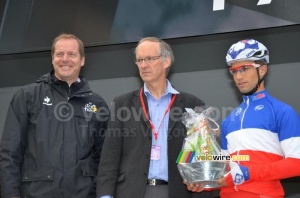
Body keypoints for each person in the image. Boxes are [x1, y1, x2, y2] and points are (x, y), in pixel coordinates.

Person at [96, 37, 213, 198]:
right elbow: (109, 158)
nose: (143, 65)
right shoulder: (122, 104)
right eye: (139, 60)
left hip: (177, 192)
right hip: (131, 192)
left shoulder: (192, 104)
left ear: (166, 61)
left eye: (150, 59)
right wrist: (105, 195)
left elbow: (203, 156)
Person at [0, 33, 109, 198]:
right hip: (36, 193)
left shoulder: (97, 104)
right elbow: (10, 152)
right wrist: (10, 194)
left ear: (82, 60)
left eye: (72, 54)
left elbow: (105, 158)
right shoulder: (27, 96)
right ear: (52, 59)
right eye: (59, 54)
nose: (65, 59)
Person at [216, 39, 300, 198]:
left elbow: (297, 163)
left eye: (245, 69)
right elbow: (225, 168)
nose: (238, 76)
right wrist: (203, 179)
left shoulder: (282, 112)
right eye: (234, 71)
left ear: (262, 70)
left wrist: (249, 173)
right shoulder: (228, 120)